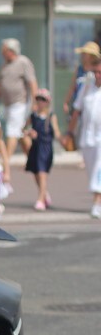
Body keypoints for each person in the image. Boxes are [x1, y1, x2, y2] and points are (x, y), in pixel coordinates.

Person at [0, 38, 38, 159]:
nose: (1, 52)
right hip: (7, 104)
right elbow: (0, 84)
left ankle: (5, 160)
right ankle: (34, 159)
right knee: (21, 134)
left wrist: (35, 102)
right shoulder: (5, 65)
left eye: (4, 50)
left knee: (12, 131)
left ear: (11, 50)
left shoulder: (23, 62)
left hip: (20, 103)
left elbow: (32, 83)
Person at [67, 47, 101, 220]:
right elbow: (77, 110)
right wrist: (69, 132)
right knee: (91, 169)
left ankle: (96, 203)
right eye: (96, 72)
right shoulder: (87, 87)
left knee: (98, 170)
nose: (98, 75)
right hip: (87, 137)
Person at [24, 88, 60, 211]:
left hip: (46, 148)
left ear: (47, 102)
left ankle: (40, 199)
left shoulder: (51, 116)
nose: (40, 102)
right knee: (36, 173)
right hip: (35, 147)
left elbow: (56, 133)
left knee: (42, 173)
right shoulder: (33, 116)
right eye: (38, 99)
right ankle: (44, 194)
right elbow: (24, 128)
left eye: (43, 99)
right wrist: (29, 132)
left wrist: (65, 140)